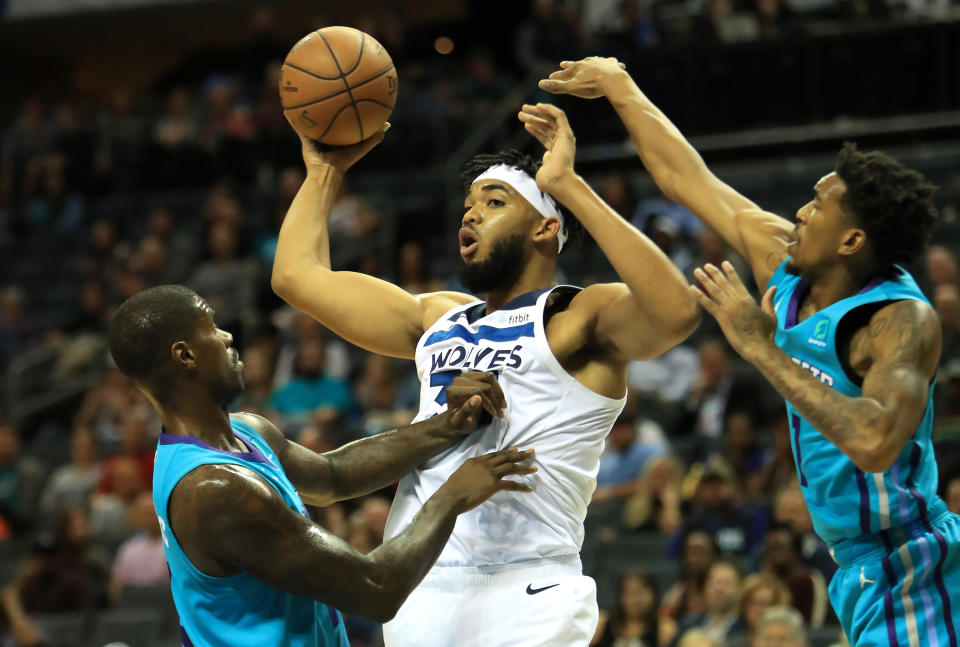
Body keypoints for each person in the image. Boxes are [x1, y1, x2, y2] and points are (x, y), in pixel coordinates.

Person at [541, 55, 960, 645]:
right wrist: (620, 86)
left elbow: (873, 441)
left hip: (911, 560)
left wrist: (760, 346)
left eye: (817, 207)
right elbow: (686, 178)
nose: (800, 213)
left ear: (852, 240)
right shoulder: (785, 262)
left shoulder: (897, 320)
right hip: (858, 564)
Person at [271, 99, 700, 646]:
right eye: (468, 205)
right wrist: (325, 172)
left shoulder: (578, 316)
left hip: (525, 590)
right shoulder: (436, 317)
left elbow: (676, 311)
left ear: (546, 229)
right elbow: (295, 276)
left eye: (493, 202)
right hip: (415, 582)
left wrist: (567, 185)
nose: (469, 214)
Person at [107, 285, 537, 647]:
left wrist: (445, 426)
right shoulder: (213, 490)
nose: (227, 337)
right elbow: (376, 590)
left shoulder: (244, 432)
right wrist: (452, 497)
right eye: (211, 328)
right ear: (185, 355)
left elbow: (334, 475)